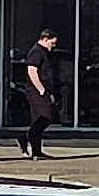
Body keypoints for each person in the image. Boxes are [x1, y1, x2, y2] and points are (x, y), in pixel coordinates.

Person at [17, 29, 58, 159]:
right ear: (45, 39)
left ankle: (36, 151)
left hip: (42, 90)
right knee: (45, 117)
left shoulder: (43, 53)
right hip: (36, 91)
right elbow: (32, 71)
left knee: (37, 119)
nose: (54, 45)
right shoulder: (36, 52)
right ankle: (26, 137)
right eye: (52, 42)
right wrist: (41, 90)